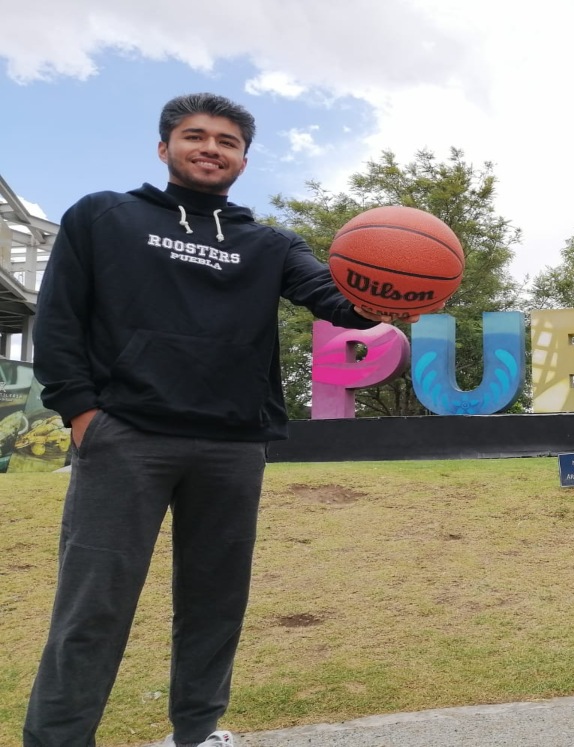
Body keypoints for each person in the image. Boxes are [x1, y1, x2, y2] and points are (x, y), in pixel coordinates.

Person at [26, 93, 392, 747]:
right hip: (127, 436)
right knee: (94, 605)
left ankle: (195, 732)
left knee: (215, 602)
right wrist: (81, 412)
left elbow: (343, 304)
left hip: (231, 443)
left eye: (227, 141)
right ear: (163, 148)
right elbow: (57, 320)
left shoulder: (270, 243)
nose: (211, 147)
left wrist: (402, 287)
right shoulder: (103, 217)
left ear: (244, 161)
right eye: (194, 135)